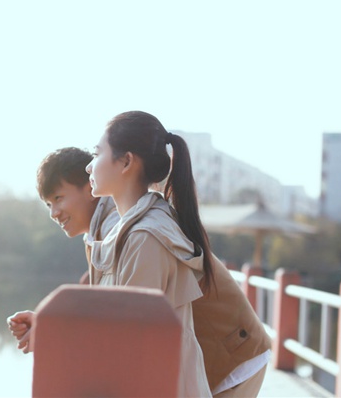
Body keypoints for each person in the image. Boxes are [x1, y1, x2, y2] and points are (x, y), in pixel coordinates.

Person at [85, 111, 271, 398]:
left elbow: (135, 341)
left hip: (195, 377)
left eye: (96, 154)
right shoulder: (133, 229)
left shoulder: (145, 237)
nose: (89, 166)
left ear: (126, 162)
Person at [6, 147, 119, 353]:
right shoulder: (97, 234)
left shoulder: (118, 232)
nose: (53, 213)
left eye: (58, 198)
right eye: (49, 204)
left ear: (91, 187)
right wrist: (47, 324)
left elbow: (124, 322)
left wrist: (52, 331)